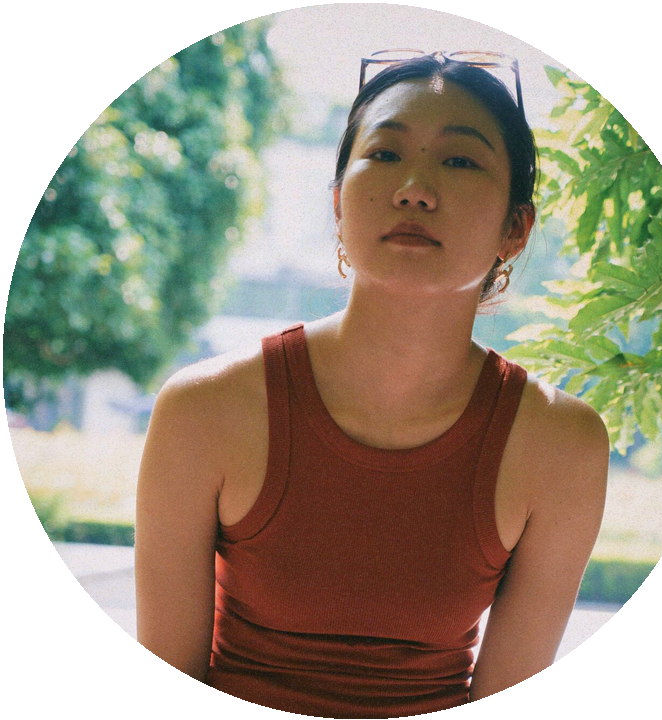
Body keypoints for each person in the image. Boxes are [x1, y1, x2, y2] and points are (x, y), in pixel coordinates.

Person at [135, 50, 609, 715]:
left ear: (516, 228)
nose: (415, 188)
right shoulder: (203, 409)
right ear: (337, 204)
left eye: (460, 161)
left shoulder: (562, 446)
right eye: (384, 154)